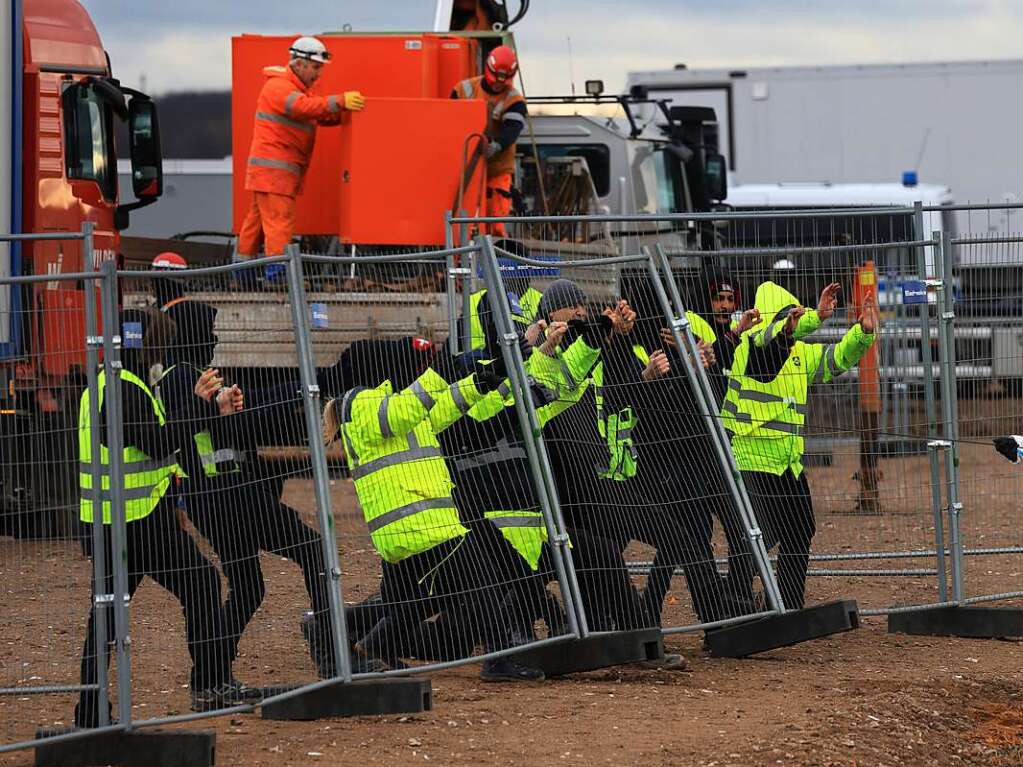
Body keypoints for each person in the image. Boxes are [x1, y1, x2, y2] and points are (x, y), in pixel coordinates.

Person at [324, 338, 545, 682]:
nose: (414, 368)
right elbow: (404, 412)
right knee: (483, 583)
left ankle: (370, 646)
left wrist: (483, 380)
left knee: (411, 600)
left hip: (418, 522)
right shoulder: (362, 403)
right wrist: (440, 370)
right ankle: (498, 660)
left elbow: (440, 409)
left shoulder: (388, 401)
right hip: (419, 520)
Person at [157, 297, 347, 680]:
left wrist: (283, 395)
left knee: (248, 588)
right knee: (313, 550)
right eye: (206, 333)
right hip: (229, 496)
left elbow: (229, 420)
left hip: (216, 499)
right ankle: (333, 652)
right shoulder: (183, 378)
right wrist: (275, 405)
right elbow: (216, 428)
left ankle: (211, 673)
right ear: (190, 334)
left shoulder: (188, 374)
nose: (212, 341)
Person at [75, 308, 242, 727]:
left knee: (110, 612)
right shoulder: (122, 388)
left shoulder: (113, 384)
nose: (159, 353)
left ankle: (91, 711)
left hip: (123, 518)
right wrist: (199, 405)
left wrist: (205, 409)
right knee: (198, 584)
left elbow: (155, 447)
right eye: (156, 345)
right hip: (136, 521)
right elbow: (157, 442)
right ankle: (208, 684)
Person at [721, 280, 878, 610]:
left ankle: (788, 603)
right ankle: (731, 605)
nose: (793, 323)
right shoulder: (750, 345)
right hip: (750, 458)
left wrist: (861, 333)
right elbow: (770, 338)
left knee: (800, 527)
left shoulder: (800, 354)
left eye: (796, 316)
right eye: (788, 317)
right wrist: (812, 318)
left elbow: (835, 360)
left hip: (787, 462)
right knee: (756, 537)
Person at [237, 36, 365, 265]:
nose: (318, 74)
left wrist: (346, 113)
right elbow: (302, 108)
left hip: (269, 173)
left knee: (256, 223)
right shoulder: (279, 87)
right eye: (316, 67)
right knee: (279, 222)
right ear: (299, 64)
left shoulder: (296, 89)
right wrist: (341, 101)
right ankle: (278, 275)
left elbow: (318, 113)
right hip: (275, 173)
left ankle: (242, 271)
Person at [452, 45, 527, 237]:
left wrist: (496, 146)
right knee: (463, 221)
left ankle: (495, 262)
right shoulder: (463, 90)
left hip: (497, 170)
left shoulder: (514, 100)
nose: (498, 84)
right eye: (496, 79)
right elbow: (448, 120)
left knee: (495, 223)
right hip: (464, 168)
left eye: (504, 80)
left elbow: (512, 130)